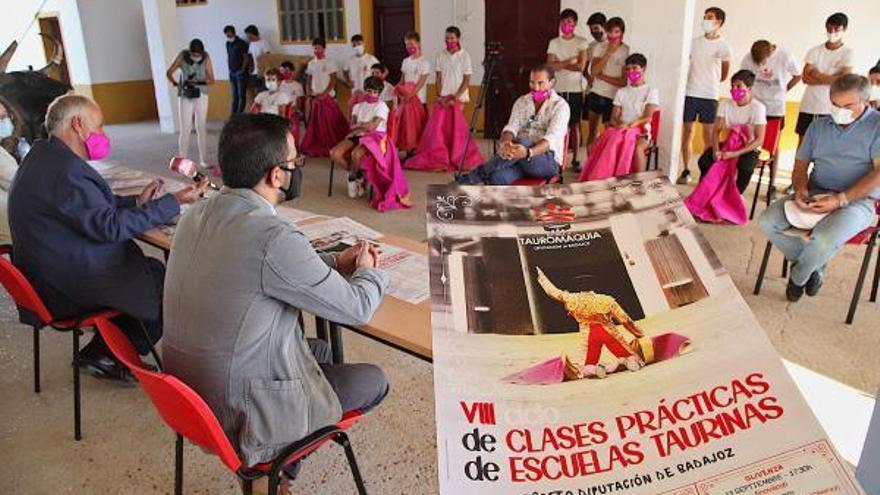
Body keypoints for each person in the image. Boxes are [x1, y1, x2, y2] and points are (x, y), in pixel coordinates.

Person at [162, 113, 389, 487]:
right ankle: (278, 468)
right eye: (294, 161)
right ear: (275, 175)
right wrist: (369, 270)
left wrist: (332, 262)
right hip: (239, 409)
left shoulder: (196, 214)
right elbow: (357, 308)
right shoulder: (271, 234)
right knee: (375, 380)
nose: (297, 167)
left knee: (317, 350)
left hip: (187, 394)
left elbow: (258, 268)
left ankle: (282, 464)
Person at [7, 95, 207, 380]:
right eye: (99, 127)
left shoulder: (44, 158)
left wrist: (137, 204)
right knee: (166, 283)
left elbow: (88, 209)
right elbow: (109, 228)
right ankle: (111, 353)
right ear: (78, 125)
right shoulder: (66, 172)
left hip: (48, 271)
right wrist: (172, 202)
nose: (103, 135)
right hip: (67, 284)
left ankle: (105, 348)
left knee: (150, 271)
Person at [759, 74, 880, 302]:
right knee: (767, 221)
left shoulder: (877, 127)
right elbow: (800, 165)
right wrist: (801, 190)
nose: (838, 111)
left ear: (865, 101)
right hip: (815, 192)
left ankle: (798, 276)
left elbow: (878, 175)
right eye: (834, 104)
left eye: (847, 106)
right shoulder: (817, 126)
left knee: (822, 239)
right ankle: (813, 267)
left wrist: (840, 200)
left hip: (857, 202)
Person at [457, 65, 567, 185]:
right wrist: (505, 144)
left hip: (546, 161)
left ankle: (477, 174)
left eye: (541, 83)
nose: (535, 87)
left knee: (521, 140)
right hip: (517, 157)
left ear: (552, 83)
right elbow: (511, 127)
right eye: (532, 83)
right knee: (496, 177)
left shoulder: (560, 106)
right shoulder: (522, 101)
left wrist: (528, 152)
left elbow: (551, 139)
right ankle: (496, 199)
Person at [405, 26, 483, 172]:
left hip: (459, 98)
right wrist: (440, 95)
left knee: (457, 129)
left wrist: (456, 97)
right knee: (441, 129)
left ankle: (458, 156)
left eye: (452, 38)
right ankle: (443, 157)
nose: (449, 41)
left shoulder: (465, 56)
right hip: (443, 98)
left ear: (458, 39)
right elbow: (438, 77)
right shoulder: (441, 55)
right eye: (447, 38)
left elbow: (466, 80)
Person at [579, 53, 658, 180]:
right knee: (603, 142)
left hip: (641, 130)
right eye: (628, 69)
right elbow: (613, 117)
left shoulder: (651, 91)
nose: (631, 71)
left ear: (643, 69)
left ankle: (640, 181)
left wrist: (630, 125)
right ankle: (605, 178)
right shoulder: (622, 92)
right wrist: (621, 125)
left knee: (636, 147)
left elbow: (647, 117)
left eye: (635, 68)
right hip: (620, 128)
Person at [678, 6, 731, 185]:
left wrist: (711, 81)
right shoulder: (694, 42)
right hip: (690, 93)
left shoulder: (724, 46)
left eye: (710, 17)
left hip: (709, 96)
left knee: (708, 136)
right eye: (705, 17)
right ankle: (686, 170)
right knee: (687, 132)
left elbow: (724, 75)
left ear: (719, 22)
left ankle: (705, 171)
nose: (705, 20)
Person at [697, 69, 767, 193]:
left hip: (748, 147)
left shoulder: (758, 108)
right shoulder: (725, 103)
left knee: (745, 168)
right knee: (704, 161)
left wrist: (735, 154)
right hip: (728, 144)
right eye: (732, 86)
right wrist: (715, 150)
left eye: (739, 86)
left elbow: (759, 140)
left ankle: (735, 195)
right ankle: (706, 192)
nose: (734, 89)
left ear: (749, 89)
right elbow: (716, 130)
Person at [797, 12, 853, 146]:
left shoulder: (848, 53)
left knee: (825, 145)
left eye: (836, 29)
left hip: (831, 108)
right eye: (829, 28)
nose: (832, 32)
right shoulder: (814, 51)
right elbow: (805, 78)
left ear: (844, 30)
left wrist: (815, 73)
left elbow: (843, 81)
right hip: (809, 105)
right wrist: (831, 78)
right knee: (802, 142)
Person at [330, 76, 390, 198]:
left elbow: (372, 126)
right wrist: (361, 126)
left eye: (375, 92)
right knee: (334, 153)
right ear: (364, 90)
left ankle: (352, 179)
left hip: (375, 137)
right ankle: (357, 176)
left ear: (379, 93)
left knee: (355, 154)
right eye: (369, 91)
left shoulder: (382, 106)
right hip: (358, 134)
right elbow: (352, 126)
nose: (372, 94)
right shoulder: (358, 106)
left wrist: (360, 125)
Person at [547, 9, 589, 171]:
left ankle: (576, 159)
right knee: (557, 125)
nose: (567, 25)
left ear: (575, 24)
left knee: (574, 125)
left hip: (575, 90)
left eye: (570, 22)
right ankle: (559, 158)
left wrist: (560, 63)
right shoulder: (554, 42)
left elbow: (581, 66)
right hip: (556, 90)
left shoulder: (581, 42)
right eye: (564, 22)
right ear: (560, 23)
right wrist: (568, 61)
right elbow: (550, 66)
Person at [166, 38, 215, 168]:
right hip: (185, 95)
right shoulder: (183, 55)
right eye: (193, 55)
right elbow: (169, 72)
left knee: (201, 127)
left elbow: (211, 79)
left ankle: (204, 160)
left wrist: (198, 80)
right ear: (189, 51)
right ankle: (182, 160)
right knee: (185, 128)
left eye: (198, 55)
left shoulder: (206, 57)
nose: (196, 57)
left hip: (201, 94)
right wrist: (176, 83)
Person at [584, 17, 629, 154]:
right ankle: (589, 165)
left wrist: (603, 77)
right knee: (592, 131)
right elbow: (594, 71)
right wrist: (608, 53)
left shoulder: (626, 50)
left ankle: (604, 166)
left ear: (622, 33)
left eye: (617, 32)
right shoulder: (600, 47)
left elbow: (622, 81)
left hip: (614, 98)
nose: (613, 35)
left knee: (609, 134)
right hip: (596, 93)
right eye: (610, 31)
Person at [300, 38, 348, 157]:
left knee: (332, 121)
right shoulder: (311, 63)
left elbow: (333, 80)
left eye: (319, 48)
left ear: (324, 49)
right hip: (315, 97)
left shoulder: (330, 62)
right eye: (315, 48)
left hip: (327, 97)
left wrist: (325, 93)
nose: (317, 50)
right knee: (316, 123)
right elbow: (309, 79)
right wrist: (309, 91)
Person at [393, 31, 430, 153]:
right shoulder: (405, 61)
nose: (409, 47)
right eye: (407, 44)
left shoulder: (424, 62)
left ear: (418, 43)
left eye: (411, 44)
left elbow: (421, 81)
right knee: (407, 127)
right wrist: (397, 89)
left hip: (418, 99)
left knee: (418, 126)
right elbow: (402, 79)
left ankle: (418, 150)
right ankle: (409, 149)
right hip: (405, 99)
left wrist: (411, 94)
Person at [344, 34, 380, 106]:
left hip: (368, 91)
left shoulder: (371, 58)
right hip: (355, 90)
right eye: (354, 45)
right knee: (356, 109)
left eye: (359, 44)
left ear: (364, 44)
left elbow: (381, 70)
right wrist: (348, 81)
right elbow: (345, 71)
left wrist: (375, 82)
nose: (357, 47)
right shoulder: (350, 59)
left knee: (367, 109)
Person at [224, 25, 249, 114]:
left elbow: (246, 57)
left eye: (228, 33)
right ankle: (233, 115)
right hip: (232, 72)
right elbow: (228, 56)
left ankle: (239, 115)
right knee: (234, 95)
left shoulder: (241, 43)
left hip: (240, 73)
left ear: (233, 32)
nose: (227, 35)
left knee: (241, 95)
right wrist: (229, 68)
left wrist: (242, 70)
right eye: (226, 34)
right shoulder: (228, 43)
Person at [245, 25, 271, 104]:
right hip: (254, 72)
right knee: (256, 91)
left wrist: (263, 70)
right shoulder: (251, 44)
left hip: (263, 72)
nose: (248, 38)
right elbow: (250, 56)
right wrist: (250, 68)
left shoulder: (264, 43)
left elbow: (268, 56)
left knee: (264, 92)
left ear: (253, 34)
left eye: (249, 35)